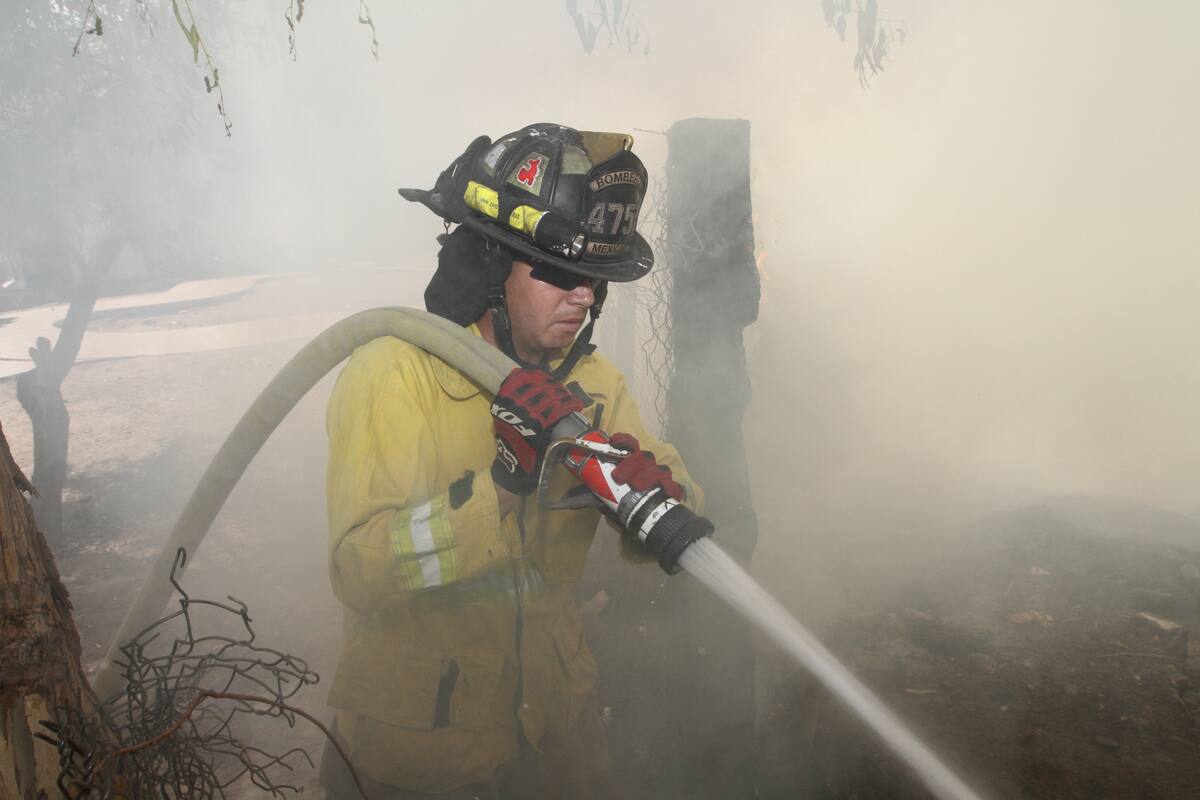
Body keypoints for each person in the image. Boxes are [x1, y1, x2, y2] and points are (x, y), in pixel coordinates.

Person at [319, 123, 705, 799]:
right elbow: (359, 572)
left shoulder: (594, 381)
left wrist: (664, 491)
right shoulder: (396, 374)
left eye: (594, 277)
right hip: (424, 758)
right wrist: (499, 489)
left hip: (553, 732)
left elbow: (669, 506)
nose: (583, 296)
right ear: (493, 264)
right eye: (561, 271)